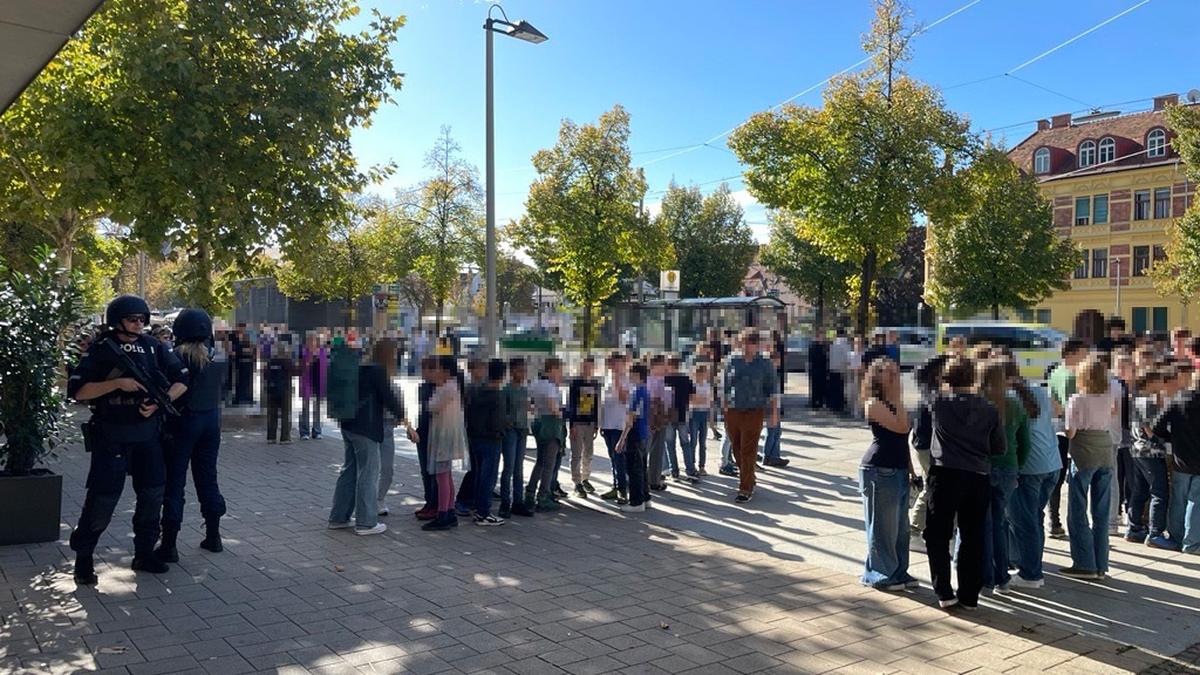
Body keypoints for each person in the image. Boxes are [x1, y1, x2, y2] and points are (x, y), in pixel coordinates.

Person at [68, 295, 189, 584]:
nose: (139, 324)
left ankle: (144, 553)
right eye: (133, 319)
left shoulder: (153, 346)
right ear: (117, 319)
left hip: (148, 436)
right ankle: (84, 557)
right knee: (102, 500)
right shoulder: (100, 349)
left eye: (142, 320)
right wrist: (116, 384)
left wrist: (161, 402)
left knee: (152, 495)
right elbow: (78, 392)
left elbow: (182, 380)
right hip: (112, 435)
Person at [916, 355, 1004, 609]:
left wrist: (943, 358)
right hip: (978, 476)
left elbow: (921, 378)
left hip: (945, 473)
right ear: (973, 378)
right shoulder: (989, 408)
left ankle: (943, 590)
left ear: (947, 379)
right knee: (973, 535)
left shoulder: (939, 403)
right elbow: (999, 447)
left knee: (938, 534)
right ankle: (969, 593)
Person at [157, 309, 227, 563]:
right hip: (211, 422)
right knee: (208, 479)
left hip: (182, 423)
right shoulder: (219, 357)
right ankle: (214, 536)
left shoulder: (174, 357)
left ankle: (169, 544)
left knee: (174, 483)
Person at [327, 340, 409, 536]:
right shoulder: (378, 371)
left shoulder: (359, 367)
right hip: (366, 427)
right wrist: (404, 419)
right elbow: (388, 398)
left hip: (347, 424)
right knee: (369, 472)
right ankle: (366, 522)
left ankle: (339, 517)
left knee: (349, 470)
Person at [858, 358, 916, 591]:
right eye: (887, 372)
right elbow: (901, 427)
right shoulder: (874, 403)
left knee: (901, 528)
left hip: (899, 468)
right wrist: (895, 398)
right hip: (879, 469)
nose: (894, 376)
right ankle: (880, 574)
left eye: (896, 371)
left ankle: (899, 571)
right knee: (883, 526)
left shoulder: (896, 401)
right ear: (875, 377)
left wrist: (911, 470)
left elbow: (904, 438)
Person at [1061, 356, 1117, 579]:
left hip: (1084, 450)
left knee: (1077, 508)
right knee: (1101, 511)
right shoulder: (1107, 396)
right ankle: (1101, 564)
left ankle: (1084, 562)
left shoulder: (1077, 399)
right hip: (1104, 446)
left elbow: (1071, 431)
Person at [1008, 359, 1062, 589]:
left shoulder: (1009, 398)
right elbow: (1059, 410)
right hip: (1051, 463)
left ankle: (1031, 573)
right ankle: (1030, 564)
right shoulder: (1038, 391)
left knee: (1025, 521)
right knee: (1034, 517)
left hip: (1029, 467)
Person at [978, 359, 1031, 594]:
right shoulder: (1014, 404)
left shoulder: (978, 404)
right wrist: (1017, 466)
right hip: (1008, 468)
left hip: (983, 468)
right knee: (998, 523)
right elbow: (1024, 442)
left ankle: (985, 576)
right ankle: (1002, 578)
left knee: (981, 524)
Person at [723, 329, 779, 504]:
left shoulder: (765, 363)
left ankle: (745, 488)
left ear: (757, 345)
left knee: (748, 449)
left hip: (755, 410)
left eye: (752, 342)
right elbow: (725, 384)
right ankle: (749, 476)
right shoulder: (732, 360)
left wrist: (774, 412)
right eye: (745, 342)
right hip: (733, 409)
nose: (748, 346)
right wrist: (723, 404)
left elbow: (772, 389)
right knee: (736, 447)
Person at [1127, 369, 1177, 549]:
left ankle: (1133, 528)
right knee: (1159, 492)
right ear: (1151, 382)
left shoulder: (1136, 400)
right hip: (1151, 452)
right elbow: (1150, 430)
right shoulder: (1148, 402)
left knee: (1140, 491)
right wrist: (1163, 443)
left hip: (1137, 451)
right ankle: (1155, 533)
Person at [1151, 371, 1200, 552]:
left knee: (1178, 499)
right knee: (1196, 501)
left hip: (1181, 457)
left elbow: (1157, 426)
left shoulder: (1178, 400)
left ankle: (1176, 537)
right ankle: (1192, 542)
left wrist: (1171, 437)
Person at [1047, 340, 1088, 537]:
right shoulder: (1072, 376)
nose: (1085, 357)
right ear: (1072, 353)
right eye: (1083, 353)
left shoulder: (1055, 371)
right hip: (1072, 430)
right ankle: (1072, 520)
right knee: (1073, 478)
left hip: (1057, 428)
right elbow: (1071, 407)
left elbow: (1054, 401)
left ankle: (1054, 518)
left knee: (1058, 476)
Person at [423, 356, 469, 531]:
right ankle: (448, 511)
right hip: (446, 435)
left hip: (445, 436)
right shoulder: (451, 386)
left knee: (442, 475)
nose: (433, 373)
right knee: (445, 474)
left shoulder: (446, 388)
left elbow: (432, 406)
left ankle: (444, 513)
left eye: (436, 369)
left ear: (445, 371)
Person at [376, 340, 418, 517]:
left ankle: (379, 498)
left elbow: (399, 407)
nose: (396, 358)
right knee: (369, 468)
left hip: (387, 427)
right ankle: (370, 501)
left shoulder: (392, 381)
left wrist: (407, 425)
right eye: (393, 354)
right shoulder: (375, 376)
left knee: (387, 468)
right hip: (373, 426)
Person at [909, 355, 948, 537]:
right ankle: (916, 525)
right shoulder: (935, 394)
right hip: (927, 446)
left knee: (930, 484)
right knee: (930, 485)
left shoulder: (929, 390)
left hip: (922, 443)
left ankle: (918, 524)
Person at [468, 360, 507, 526]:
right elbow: (498, 420)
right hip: (491, 438)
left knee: (479, 475)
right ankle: (484, 512)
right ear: (502, 375)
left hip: (475, 437)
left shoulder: (476, 391)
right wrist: (501, 432)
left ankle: (478, 509)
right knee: (488, 477)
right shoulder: (497, 395)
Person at [525, 358, 566, 512]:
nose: (561, 374)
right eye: (559, 370)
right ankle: (543, 495)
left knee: (540, 461)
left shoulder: (535, 384)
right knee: (548, 464)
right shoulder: (548, 387)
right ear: (552, 369)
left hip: (539, 422)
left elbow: (530, 404)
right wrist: (562, 413)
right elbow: (554, 408)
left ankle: (530, 492)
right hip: (550, 424)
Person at [615, 363, 652, 513]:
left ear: (637, 375)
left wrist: (621, 439)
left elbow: (630, 418)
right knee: (642, 467)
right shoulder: (646, 391)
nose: (629, 377)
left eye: (631, 374)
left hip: (635, 432)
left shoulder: (635, 392)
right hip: (644, 432)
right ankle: (645, 497)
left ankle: (636, 501)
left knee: (634, 468)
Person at [500, 357, 533, 518]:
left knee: (519, 468)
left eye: (524, 371)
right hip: (511, 431)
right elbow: (502, 412)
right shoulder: (506, 389)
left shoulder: (523, 390)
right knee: (509, 467)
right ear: (512, 371)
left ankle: (518, 502)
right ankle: (505, 502)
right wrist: (508, 422)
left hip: (522, 430)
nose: (523, 374)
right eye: (520, 370)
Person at [567, 357, 601, 497]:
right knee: (576, 453)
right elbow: (571, 404)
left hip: (590, 423)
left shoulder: (595, 383)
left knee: (588, 453)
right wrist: (572, 425)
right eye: (585, 367)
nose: (588, 370)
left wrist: (596, 424)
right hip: (578, 423)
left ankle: (585, 478)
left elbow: (596, 404)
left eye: (590, 367)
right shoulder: (575, 383)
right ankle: (577, 482)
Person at [599, 354, 631, 503]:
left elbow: (624, 399)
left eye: (618, 364)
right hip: (608, 424)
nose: (614, 368)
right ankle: (616, 485)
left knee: (620, 458)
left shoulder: (627, 380)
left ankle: (623, 489)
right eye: (612, 364)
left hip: (620, 425)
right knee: (613, 457)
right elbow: (604, 403)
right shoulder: (606, 380)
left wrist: (617, 381)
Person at [413, 357, 439, 520]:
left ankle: (435, 503)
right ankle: (429, 501)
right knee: (425, 470)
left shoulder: (440, 389)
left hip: (435, 433)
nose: (423, 373)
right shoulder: (423, 388)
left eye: (427, 369)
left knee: (433, 471)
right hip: (423, 430)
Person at [664, 356, 695, 482]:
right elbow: (692, 396)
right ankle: (690, 470)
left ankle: (674, 470)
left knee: (670, 444)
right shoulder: (686, 379)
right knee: (685, 444)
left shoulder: (665, 379)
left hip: (668, 416)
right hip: (682, 414)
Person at [761, 350, 788, 468]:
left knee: (775, 431)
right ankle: (770, 456)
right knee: (773, 432)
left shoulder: (771, 373)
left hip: (773, 405)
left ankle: (772, 455)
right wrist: (774, 410)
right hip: (771, 406)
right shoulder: (770, 374)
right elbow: (771, 394)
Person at [685, 364, 713, 479]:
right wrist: (701, 399)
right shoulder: (693, 385)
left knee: (703, 442)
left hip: (704, 413)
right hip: (694, 414)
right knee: (693, 441)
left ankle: (702, 465)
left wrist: (711, 418)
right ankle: (692, 465)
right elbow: (692, 400)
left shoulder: (707, 385)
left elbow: (709, 401)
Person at [298, 332, 328, 440]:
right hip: (307, 383)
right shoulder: (304, 352)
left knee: (318, 409)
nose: (312, 342)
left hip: (318, 383)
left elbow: (325, 368)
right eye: (310, 340)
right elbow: (301, 368)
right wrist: (308, 361)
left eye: (314, 340)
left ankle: (317, 430)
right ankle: (304, 431)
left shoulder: (322, 352)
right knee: (305, 408)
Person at [264, 341, 294, 444]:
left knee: (272, 414)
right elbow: (293, 372)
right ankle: (285, 437)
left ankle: (271, 437)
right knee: (285, 414)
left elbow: (265, 375)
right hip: (284, 390)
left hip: (272, 391)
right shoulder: (287, 362)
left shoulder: (270, 361)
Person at [827, 331, 850, 414]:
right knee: (840, 389)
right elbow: (847, 357)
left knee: (833, 388)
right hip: (841, 370)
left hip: (832, 369)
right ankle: (839, 406)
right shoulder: (845, 345)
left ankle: (833, 405)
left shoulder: (833, 344)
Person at [808, 334, 829, 410]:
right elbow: (825, 358)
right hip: (820, 369)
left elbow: (810, 358)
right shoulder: (822, 347)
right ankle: (818, 402)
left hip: (816, 369)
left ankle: (815, 402)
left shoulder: (813, 346)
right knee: (819, 386)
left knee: (815, 387)